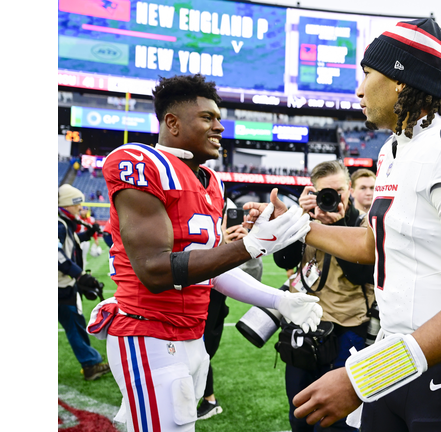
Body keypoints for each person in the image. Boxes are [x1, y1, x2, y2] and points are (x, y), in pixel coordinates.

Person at [246, 18, 441, 432]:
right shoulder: (393, 151)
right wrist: (298, 226)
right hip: (395, 355)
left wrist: (364, 376)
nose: (358, 90)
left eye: (367, 74)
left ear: (401, 81)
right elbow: (378, 244)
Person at [91, 74, 322, 432]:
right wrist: (249, 245)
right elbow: (155, 270)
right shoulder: (138, 162)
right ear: (173, 122)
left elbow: (210, 269)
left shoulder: (210, 182)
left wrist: (278, 300)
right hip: (149, 332)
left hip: (191, 336)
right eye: (208, 118)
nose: (219, 126)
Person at [273, 160, 376, 432]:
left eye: (339, 191)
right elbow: (283, 259)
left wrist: (339, 224)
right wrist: (296, 222)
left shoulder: (363, 223)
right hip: (304, 327)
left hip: (347, 329)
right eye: (324, 193)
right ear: (313, 192)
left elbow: (362, 276)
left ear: (349, 190)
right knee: (299, 408)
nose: (332, 198)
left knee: (335, 421)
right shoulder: (305, 220)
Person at [197, 199, 251, 421]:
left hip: (212, 296)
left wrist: (234, 247)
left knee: (202, 350)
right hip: (195, 289)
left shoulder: (220, 202)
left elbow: (252, 273)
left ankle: (209, 399)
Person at [58, 184, 110, 381]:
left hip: (62, 285)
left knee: (75, 323)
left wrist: (87, 234)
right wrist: (79, 275)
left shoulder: (63, 225)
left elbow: (68, 243)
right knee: (74, 325)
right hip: (61, 287)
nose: (81, 208)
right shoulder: (59, 225)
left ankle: (91, 362)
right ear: (66, 204)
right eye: (77, 204)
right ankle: (90, 364)